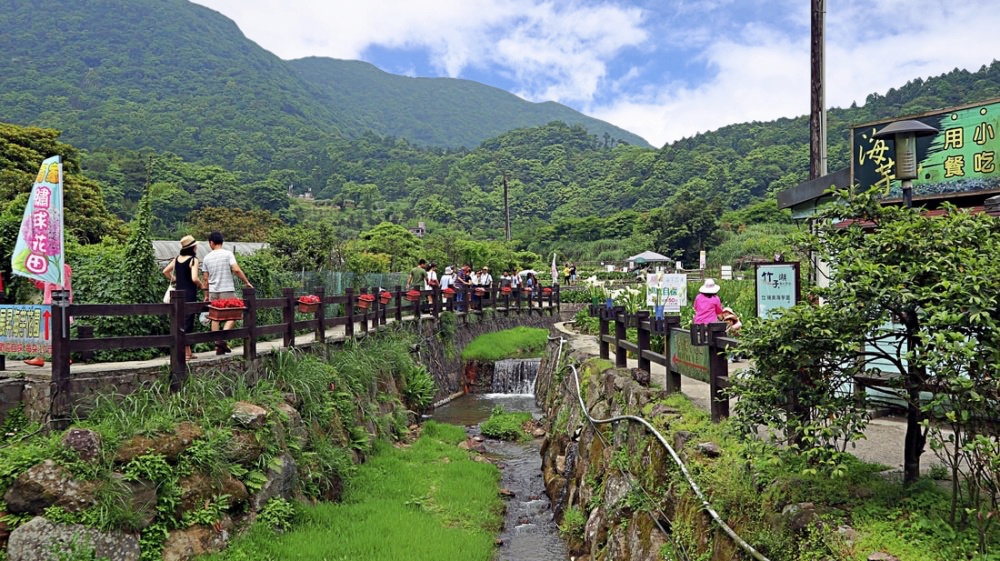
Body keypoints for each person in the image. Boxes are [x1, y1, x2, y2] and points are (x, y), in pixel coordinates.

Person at [201, 231, 252, 355]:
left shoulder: (207, 257)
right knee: (234, 314)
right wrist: (246, 282)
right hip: (227, 289)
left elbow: (206, 279)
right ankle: (222, 340)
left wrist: (206, 295)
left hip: (213, 290)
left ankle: (218, 345)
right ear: (222, 242)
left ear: (211, 243)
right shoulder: (228, 254)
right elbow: (236, 269)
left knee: (215, 317)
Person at [162, 235, 204, 360]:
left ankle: (188, 351)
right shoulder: (193, 260)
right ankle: (186, 353)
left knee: (180, 320)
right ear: (193, 247)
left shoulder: (177, 259)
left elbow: (165, 271)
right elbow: (194, 278)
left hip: (178, 294)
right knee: (188, 320)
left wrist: (175, 280)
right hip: (189, 293)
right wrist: (201, 286)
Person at [23, 264, 73, 367]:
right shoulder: (53, 268)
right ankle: (62, 358)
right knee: (53, 333)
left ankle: (43, 358)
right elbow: (47, 286)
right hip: (53, 303)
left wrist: (59, 303)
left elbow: (60, 287)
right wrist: (35, 280)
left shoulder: (60, 268)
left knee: (49, 332)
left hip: (56, 304)